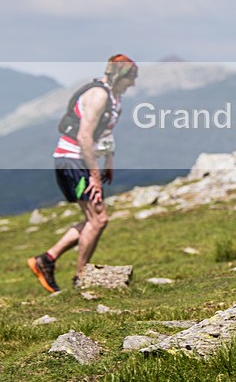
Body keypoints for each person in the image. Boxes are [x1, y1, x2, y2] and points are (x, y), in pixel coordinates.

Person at [27, 55, 138, 293]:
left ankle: (47, 260)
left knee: (93, 219)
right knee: (98, 219)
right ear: (121, 76)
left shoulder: (113, 98)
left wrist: (109, 160)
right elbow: (84, 136)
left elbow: (104, 134)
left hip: (80, 161)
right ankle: (80, 278)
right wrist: (95, 176)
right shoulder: (98, 96)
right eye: (131, 78)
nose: (133, 84)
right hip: (73, 160)